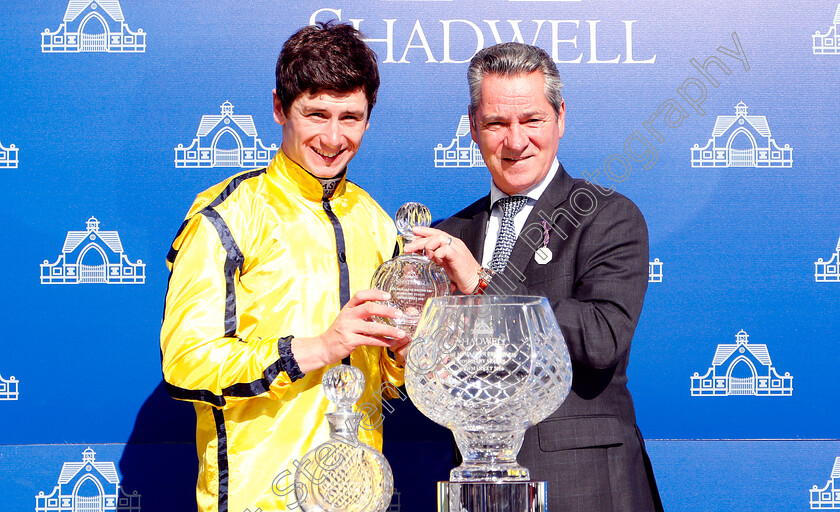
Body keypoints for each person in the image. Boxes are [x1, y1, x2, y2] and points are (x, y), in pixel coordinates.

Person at [160, 22, 409, 512]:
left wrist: (401, 354)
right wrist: (317, 348)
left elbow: (391, 380)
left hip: (359, 497)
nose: (334, 138)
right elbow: (185, 365)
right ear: (279, 108)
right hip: (258, 498)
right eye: (316, 114)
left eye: (351, 118)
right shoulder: (226, 215)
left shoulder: (378, 224)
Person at [405, 42, 663, 511]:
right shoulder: (449, 234)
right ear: (472, 126)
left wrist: (482, 281)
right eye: (496, 124)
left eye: (532, 120)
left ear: (560, 117)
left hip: (585, 486)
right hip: (471, 486)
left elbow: (602, 339)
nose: (516, 140)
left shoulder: (609, 217)